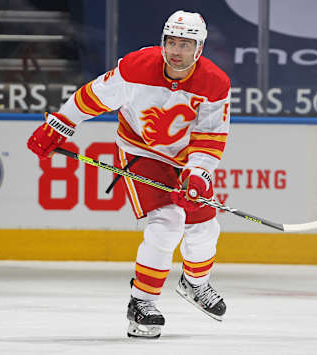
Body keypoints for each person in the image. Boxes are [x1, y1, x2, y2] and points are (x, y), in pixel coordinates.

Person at [27, 10, 231, 339]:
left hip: (185, 159)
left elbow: (210, 136)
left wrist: (196, 175)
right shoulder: (135, 68)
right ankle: (142, 303)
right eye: (172, 42)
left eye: (186, 44)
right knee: (167, 222)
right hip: (141, 151)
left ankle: (195, 284)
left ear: (200, 48)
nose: (176, 50)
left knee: (205, 226)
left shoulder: (215, 82)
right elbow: (91, 97)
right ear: (163, 42)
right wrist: (58, 127)